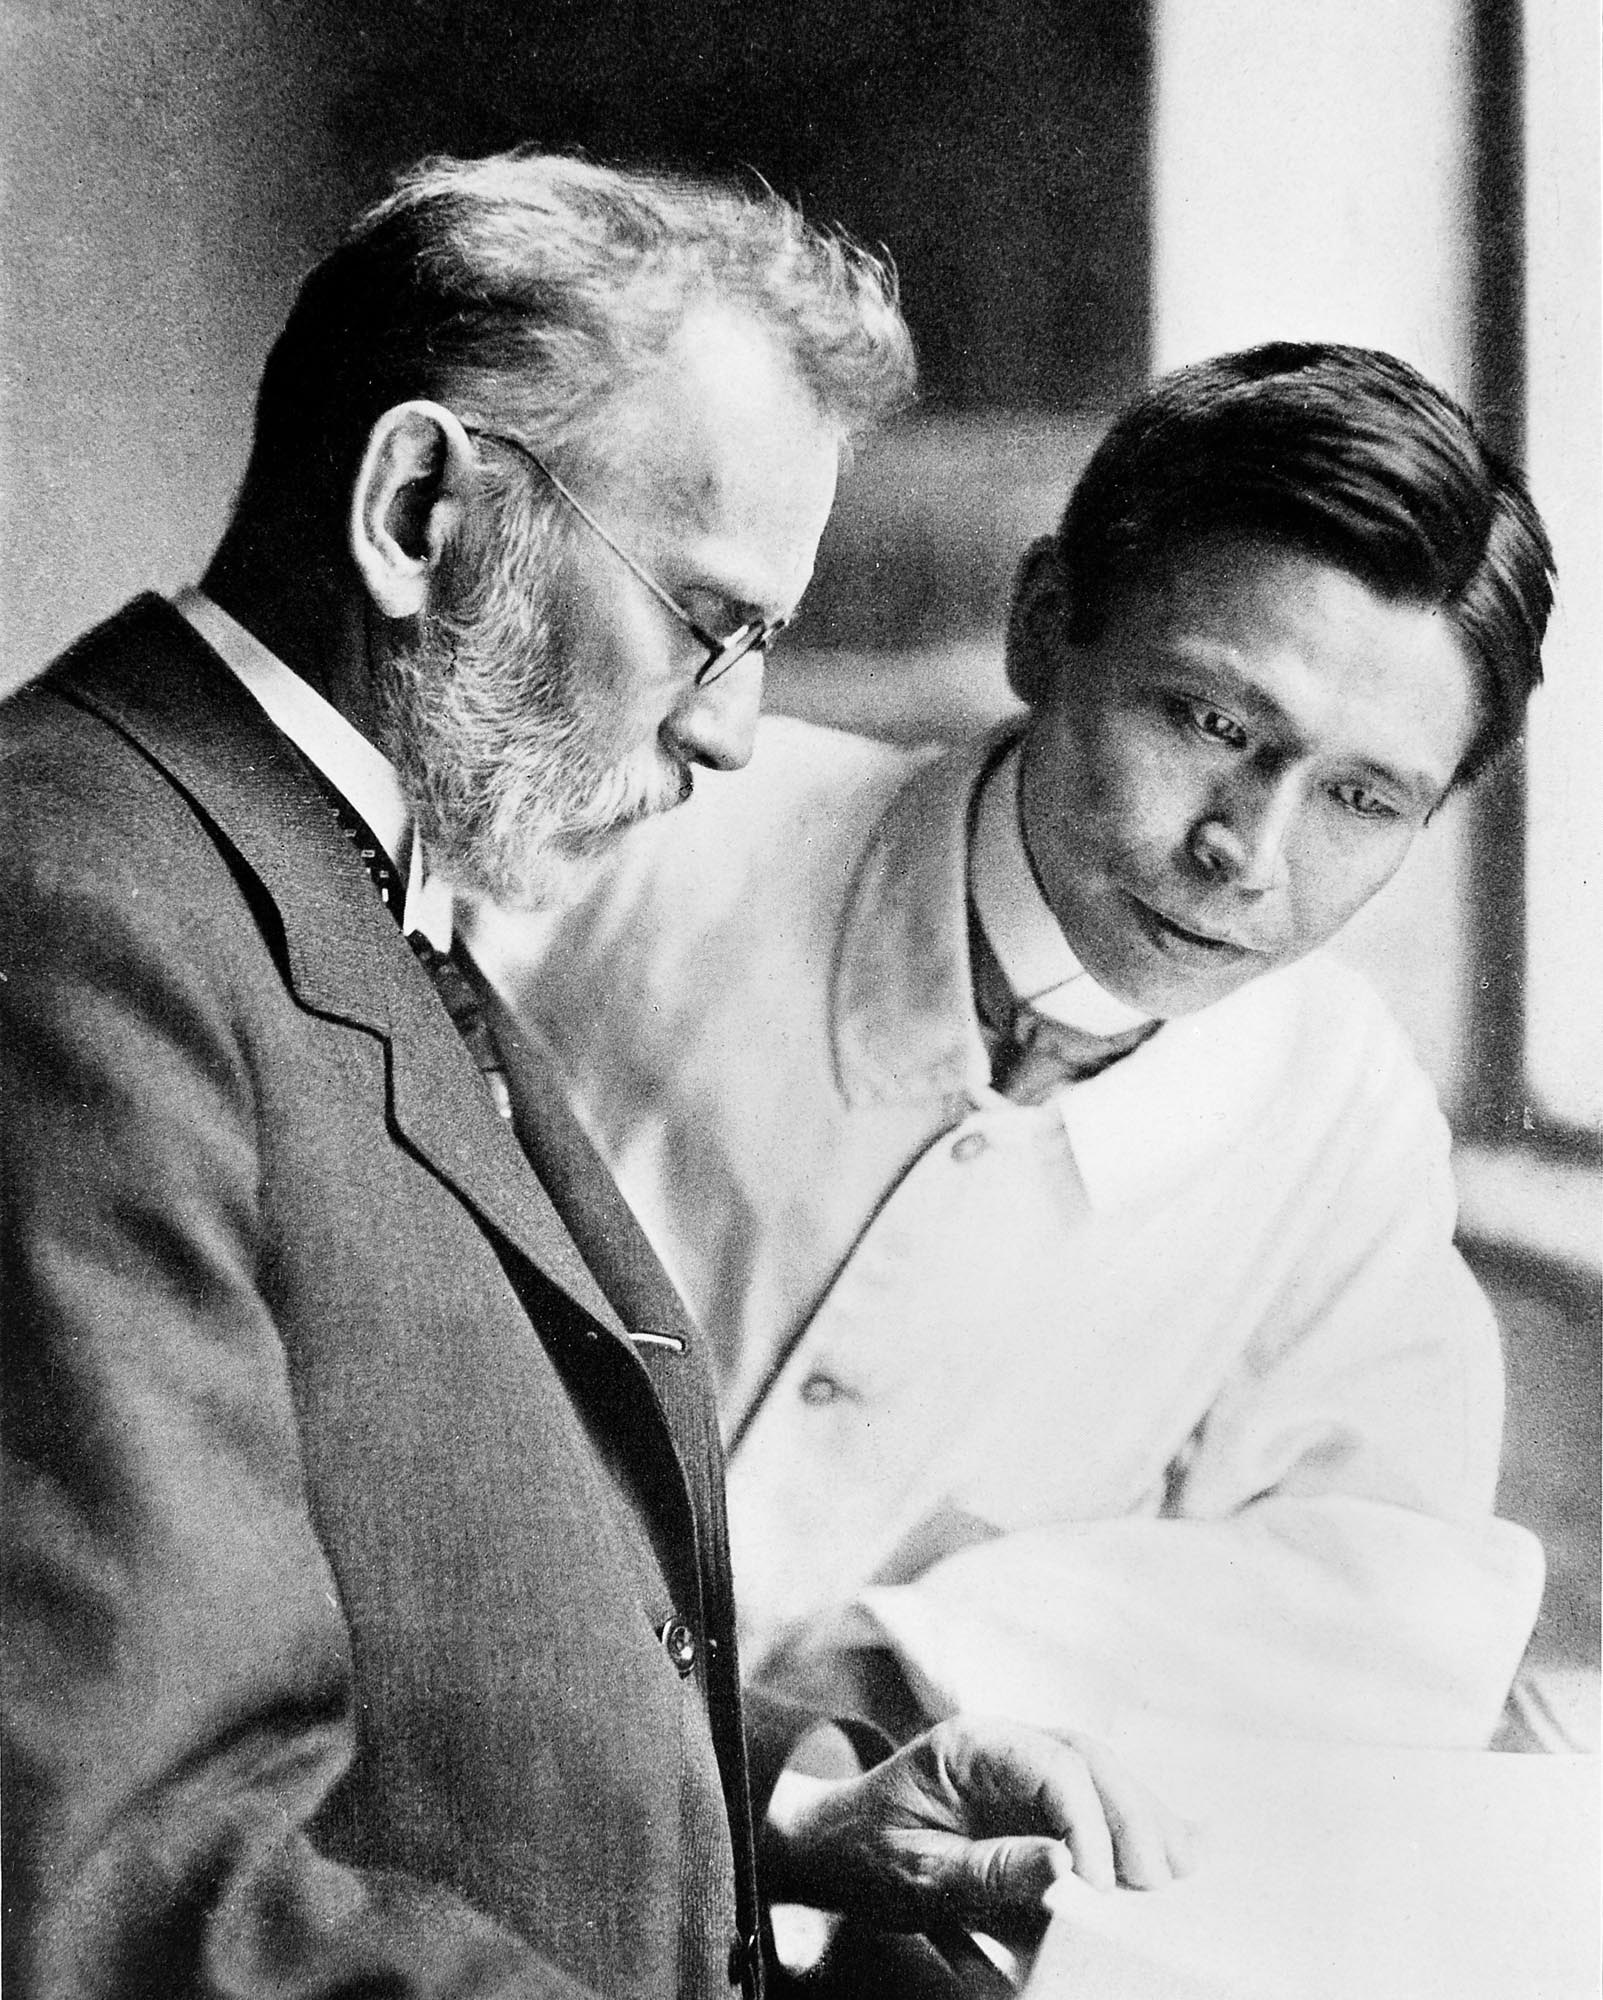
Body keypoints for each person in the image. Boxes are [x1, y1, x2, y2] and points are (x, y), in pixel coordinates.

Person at [0, 151, 1194, 2000]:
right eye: (709, 622)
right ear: (420, 510)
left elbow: (417, 1630)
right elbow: (138, 1887)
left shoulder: (330, 865)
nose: (732, 728)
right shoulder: (85, 918)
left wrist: (789, 1804)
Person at [485, 342, 1556, 1758]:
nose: (1249, 853)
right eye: (1214, 722)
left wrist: (936, 1653)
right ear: (1045, 629)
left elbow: (1388, 1596)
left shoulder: (1338, 1111)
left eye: (1365, 797)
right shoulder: (650, 844)